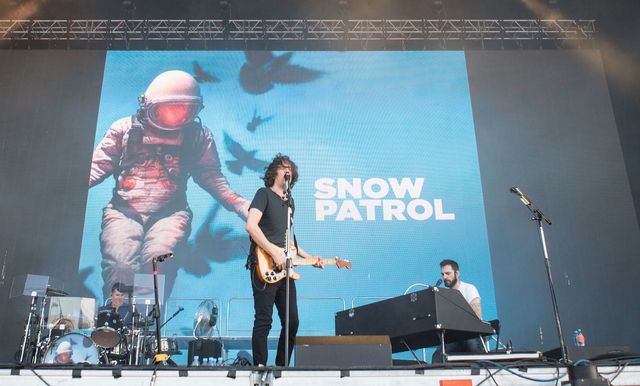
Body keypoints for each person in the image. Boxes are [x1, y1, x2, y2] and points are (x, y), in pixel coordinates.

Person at [89, 70, 250, 299]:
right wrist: (70, 186)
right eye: (168, 109)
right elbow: (96, 168)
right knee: (120, 267)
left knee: (158, 265)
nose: (176, 116)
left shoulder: (198, 137)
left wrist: (239, 204)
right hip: (124, 212)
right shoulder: (124, 130)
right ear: (147, 106)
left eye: (184, 110)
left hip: (171, 214)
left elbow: (210, 176)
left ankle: (147, 327)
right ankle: (115, 323)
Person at [245, 154, 324, 366]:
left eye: (290, 168)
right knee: (264, 320)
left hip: (286, 269)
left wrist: (310, 258)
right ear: (274, 172)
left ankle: (282, 367)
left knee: (292, 322)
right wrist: (273, 252)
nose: (287, 170)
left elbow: (291, 243)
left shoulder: (290, 202)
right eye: (283, 167)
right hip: (264, 265)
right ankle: (260, 366)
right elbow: (251, 226)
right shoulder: (263, 194)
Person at [434, 259, 485, 360]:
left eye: (448, 273)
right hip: (452, 336)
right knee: (437, 355)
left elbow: (477, 316)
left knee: (472, 345)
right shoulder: (443, 293)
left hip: (471, 334)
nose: (444, 277)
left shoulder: (469, 289)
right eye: (442, 274)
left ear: (457, 273)